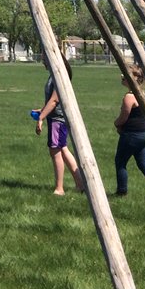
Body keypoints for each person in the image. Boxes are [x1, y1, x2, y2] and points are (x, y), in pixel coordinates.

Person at [113, 65, 145, 201]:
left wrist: (116, 123)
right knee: (143, 163)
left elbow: (123, 117)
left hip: (131, 135)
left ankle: (121, 192)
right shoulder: (142, 93)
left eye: (125, 75)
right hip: (144, 134)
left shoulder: (129, 97)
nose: (122, 77)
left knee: (120, 162)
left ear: (134, 78)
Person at [35, 55, 83, 196]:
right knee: (62, 149)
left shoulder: (58, 77)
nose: (43, 62)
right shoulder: (53, 76)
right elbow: (52, 101)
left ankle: (59, 188)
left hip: (57, 120)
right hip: (55, 118)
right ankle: (80, 184)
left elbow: (54, 101)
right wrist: (42, 110)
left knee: (55, 151)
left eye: (45, 60)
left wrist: (41, 118)